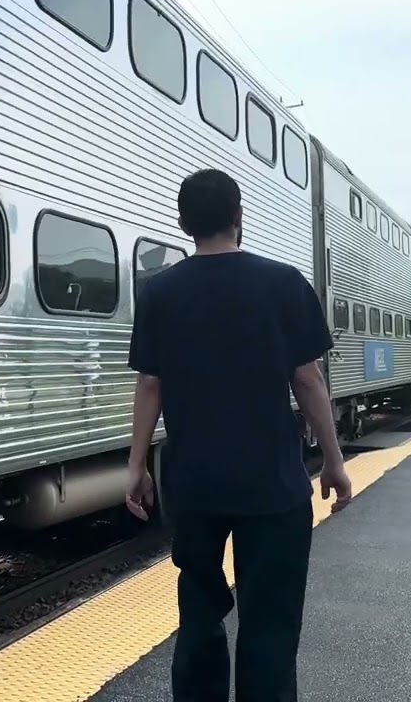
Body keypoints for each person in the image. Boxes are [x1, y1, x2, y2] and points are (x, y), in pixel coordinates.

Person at [124, 168, 352, 702]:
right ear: (238, 216)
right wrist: (334, 460)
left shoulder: (159, 292)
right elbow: (307, 380)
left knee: (199, 613)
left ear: (184, 224)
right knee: (270, 621)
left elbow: (150, 384)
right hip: (273, 485)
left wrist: (136, 466)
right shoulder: (283, 282)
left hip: (195, 485)